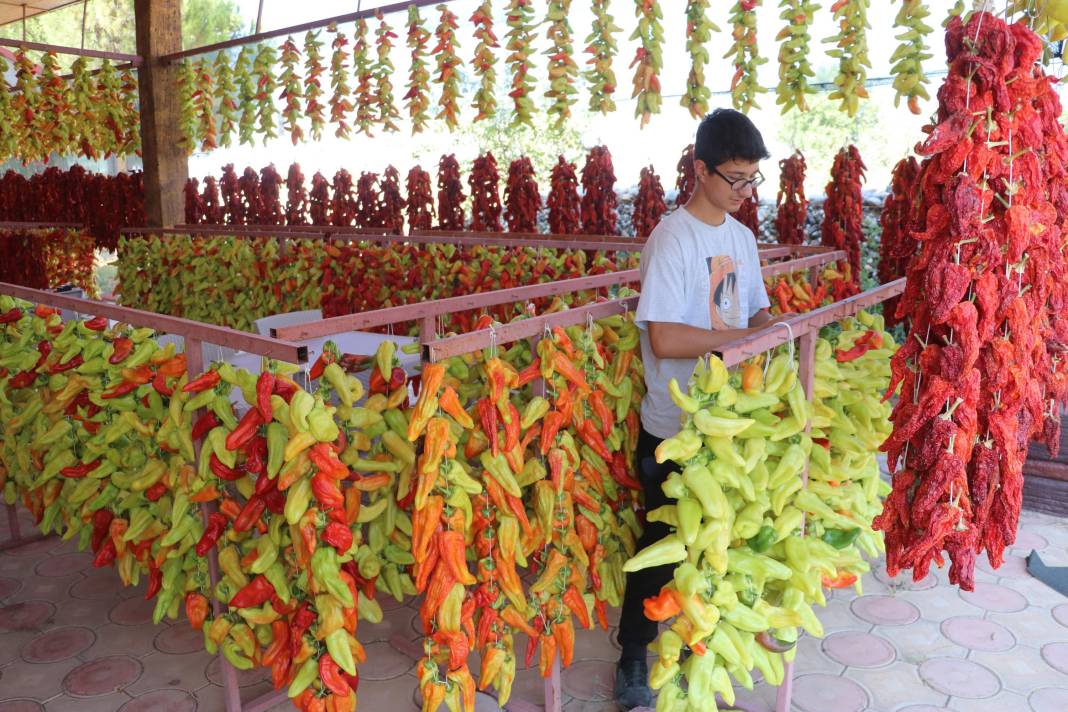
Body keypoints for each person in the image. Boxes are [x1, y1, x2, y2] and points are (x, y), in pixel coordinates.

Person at [614, 108, 794, 709]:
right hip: (674, 427)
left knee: (720, 550)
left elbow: (755, 311)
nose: (747, 193)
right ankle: (633, 658)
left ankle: (700, 661)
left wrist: (774, 331)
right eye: (737, 178)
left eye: (753, 180)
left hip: (727, 427)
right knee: (660, 552)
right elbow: (663, 337)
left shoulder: (741, 239)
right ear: (700, 169)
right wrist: (738, 341)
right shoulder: (672, 239)